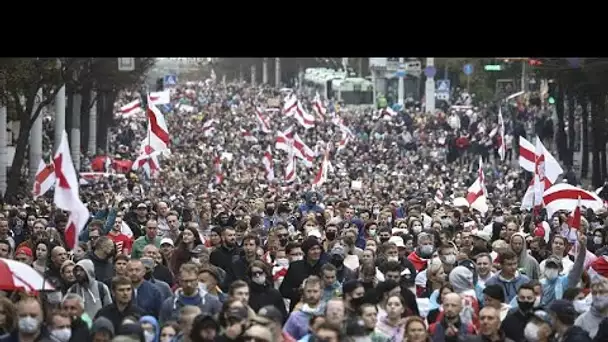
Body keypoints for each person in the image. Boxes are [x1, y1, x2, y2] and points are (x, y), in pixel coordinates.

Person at [280, 237, 327, 312]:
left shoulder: (325, 267)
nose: (316, 251)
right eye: (312, 249)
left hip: (319, 309)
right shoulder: (295, 267)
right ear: (306, 251)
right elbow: (284, 290)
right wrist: (299, 291)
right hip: (298, 309)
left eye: (318, 249)